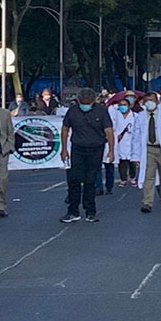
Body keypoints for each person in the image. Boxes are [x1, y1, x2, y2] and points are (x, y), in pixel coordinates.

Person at [59, 88, 115, 223]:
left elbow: (108, 131)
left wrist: (111, 150)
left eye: (88, 102)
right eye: (83, 102)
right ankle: (73, 211)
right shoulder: (73, 110)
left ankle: (90, 211)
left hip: (96, 149)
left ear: (93, 101)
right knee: (73, 180)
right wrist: (64, 149)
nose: (85, 105)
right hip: (77, 149)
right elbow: (65, 129)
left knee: (90, 181)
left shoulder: (101, 111)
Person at [111, 92, 140, 187]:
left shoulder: (135, 116)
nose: (122, 107)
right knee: (122, 161)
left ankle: (132, 177)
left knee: (132, 161)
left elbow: (138, 129)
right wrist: (116, 136)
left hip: (132, 140)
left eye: (124, 105)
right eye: (120, 105)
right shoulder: (116, 115)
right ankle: (123, 178)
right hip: (120, 140)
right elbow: (112, 127)